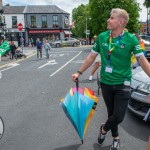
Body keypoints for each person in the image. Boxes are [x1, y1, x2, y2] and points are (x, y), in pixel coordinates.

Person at [71, 8, 150, 150]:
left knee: (118, 116)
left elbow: (142, 60)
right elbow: (91, 57)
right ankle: (115, 138)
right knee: (111, 113)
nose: (108, 20)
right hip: (106, 82)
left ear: (120, 22)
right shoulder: (102, 37)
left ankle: (103, 129)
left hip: (123, 83)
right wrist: (79, 72)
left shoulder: (131, 39)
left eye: (111, 18)